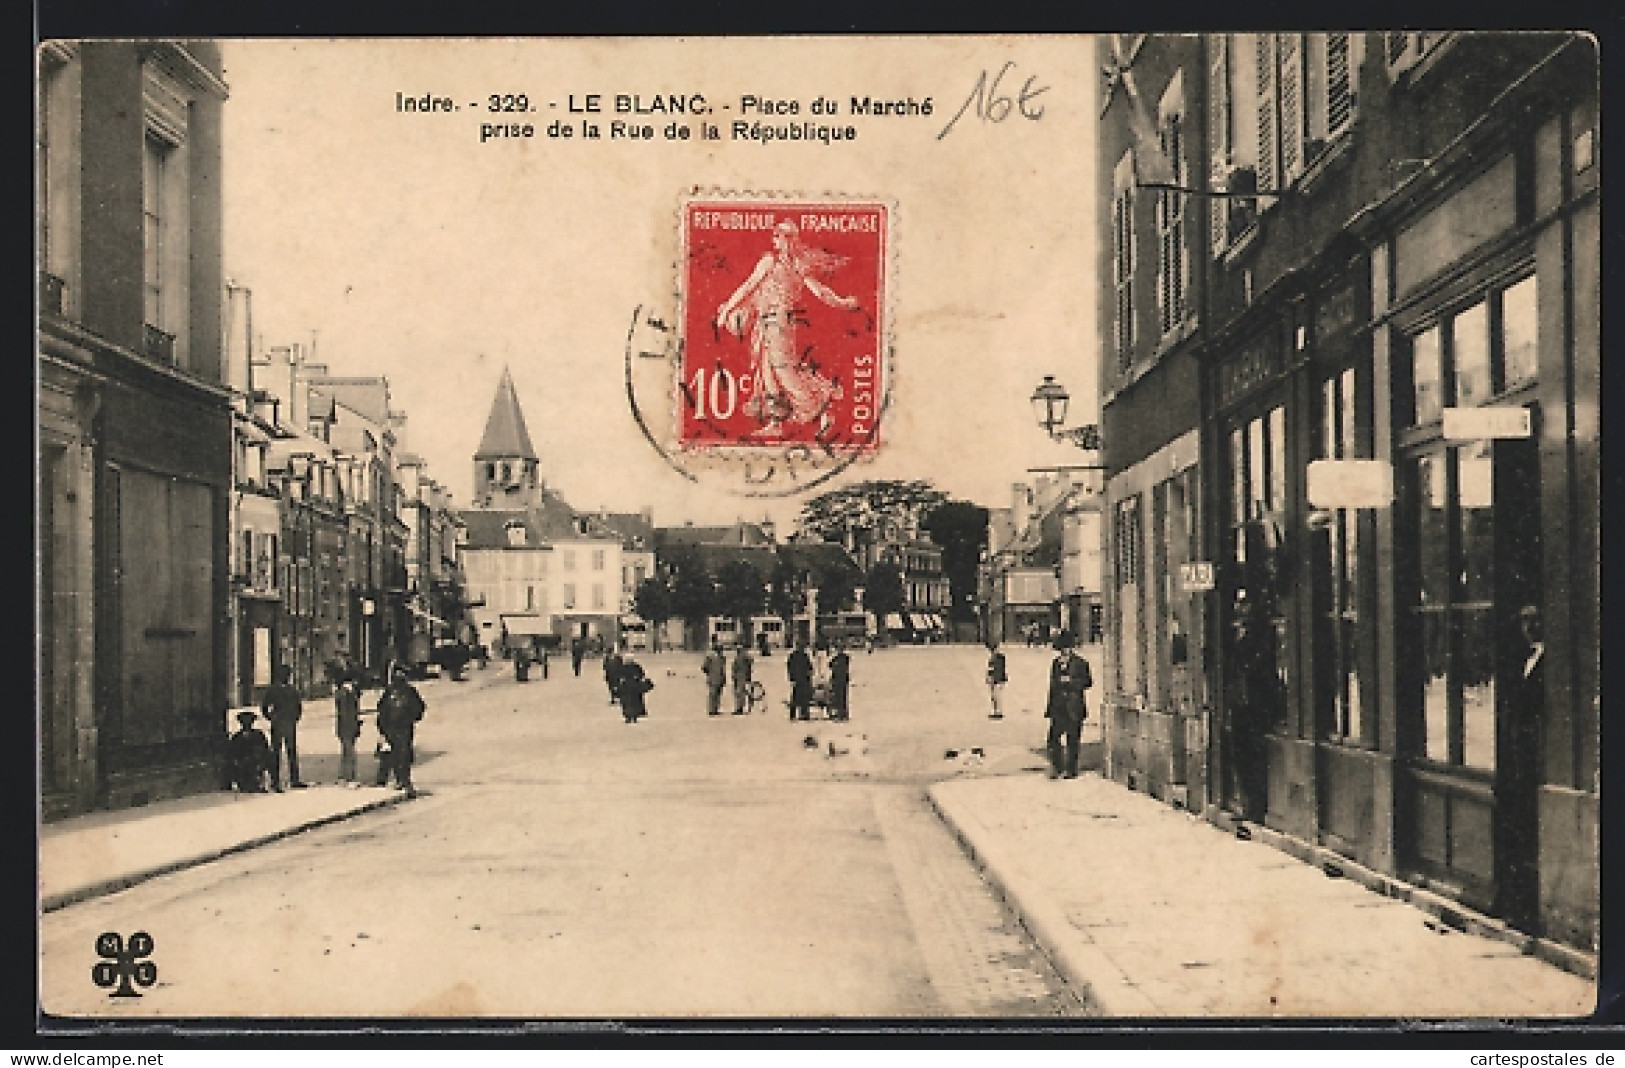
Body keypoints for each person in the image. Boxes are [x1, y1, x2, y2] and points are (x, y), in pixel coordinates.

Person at [715, 220, 862, 437]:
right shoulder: (793, 264)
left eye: (778, 236)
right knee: (768, 374)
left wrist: (727, 310)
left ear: (788, 240)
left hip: (777, 322)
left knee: (784, 373)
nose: (774, 240)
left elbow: (749, 285)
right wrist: (842, 302)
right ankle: (777, 423)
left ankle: (820, 409)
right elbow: (820, 291)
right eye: (775, 236)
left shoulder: (777, 262)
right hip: (770, 322)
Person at [1044, 632, 1093, 780]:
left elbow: (1088, 682)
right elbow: (1052, 686)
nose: (1064, 652)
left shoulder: (1081, 663)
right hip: (1058, 708)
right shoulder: (1055, 663)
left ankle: (1071, 770)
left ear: (1071, 648)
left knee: (1073, 740)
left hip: (1074, 707)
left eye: (1066, 648)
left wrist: (1070, 682)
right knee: (1053, 739)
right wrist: (1049, 708)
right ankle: (1057, 767)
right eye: (1061, 649)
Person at [374, 663, 425, 797]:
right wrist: (381, 728)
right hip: (390, 728)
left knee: (403, 755)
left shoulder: (410, 691)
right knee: (387, 756)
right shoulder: (389, 691)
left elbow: (419, 708)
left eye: (402, 674)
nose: (399, 676)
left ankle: (403, 781)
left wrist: (410, 718)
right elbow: (381, 709)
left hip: (404, 729)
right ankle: (382, 782)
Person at [260, 665, 307, 791]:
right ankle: (275, 781)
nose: (287, 677)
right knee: (276, 752)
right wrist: (271, 718)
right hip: (278, 724)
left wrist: (296, 718)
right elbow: (264, 706)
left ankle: (295, 780)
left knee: (292, 752)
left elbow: (298, 706)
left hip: (290, 724)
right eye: (285, 675)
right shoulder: (273, 690)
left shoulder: (292, 690)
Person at [226, 710, 273, 793]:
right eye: (244, 722)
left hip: (256, 761)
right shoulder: (237, 737)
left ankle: (257, 782)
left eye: (249, 722)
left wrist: (261, 759)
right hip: (243, 763)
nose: (247, 724)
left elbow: (265, 749)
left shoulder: (258, 735)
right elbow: (232, 752)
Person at [334, 676, 362, 784]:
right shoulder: (345, 694)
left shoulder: (346, 693)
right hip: (347, 726)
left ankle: (344, 776)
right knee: (349, 752)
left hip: (346, 726)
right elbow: (346, 713)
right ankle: (349, 777)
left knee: (346, 751)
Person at [616, 656, 654, 723]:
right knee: (635, 702)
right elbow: (642, 674)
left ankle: (629, 716)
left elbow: (619, 676)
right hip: (634, 686)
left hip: (627, 687)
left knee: (627, 702)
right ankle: (634, 716)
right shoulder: (636, 666)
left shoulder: (623, 667)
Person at [787, 640, 814, 722]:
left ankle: (802, 714)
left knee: (801, 698)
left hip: (802, 679)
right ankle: (798, 714)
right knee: (798, 698)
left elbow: (809, 667)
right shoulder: (797, 656)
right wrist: (792, 678)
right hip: (800, 679)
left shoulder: (798, 656)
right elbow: (790, 669)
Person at [702, 638, 728, 716]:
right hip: (713, 678)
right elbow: (704, 667)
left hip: (719, 678)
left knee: (718, 694)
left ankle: (715, 709)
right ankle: (711, 710)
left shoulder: (722, 657)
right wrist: (709, 674)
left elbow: (723, 668)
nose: (721, 651)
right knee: (713, 694)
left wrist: (724, 677)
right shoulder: (710, 656)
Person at [828, 646, 851, 721]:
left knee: (840, 697)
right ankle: (843, 713)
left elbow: (830, 665)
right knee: (842, 697)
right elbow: (830, 665)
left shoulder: (839, 658)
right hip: (841, 679)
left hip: (839, 679)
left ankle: (842, 713)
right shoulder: (843, 658)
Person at [986, 640, 1008, 720]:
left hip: (997, 679)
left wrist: (989, 678)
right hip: (997, 679)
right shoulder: (998, 657)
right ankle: (996, 711)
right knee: (994, 696)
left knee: (996, 696)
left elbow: (992, 670)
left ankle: (998, 711)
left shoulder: (996, 658)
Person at [731, 643, 755, 714]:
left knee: (740, 693)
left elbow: (751, 661)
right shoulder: (739, 656)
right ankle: (740, 707)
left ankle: (740, 708)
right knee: (739, 693)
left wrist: (748, 669)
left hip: (742, 676)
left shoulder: (744, 655)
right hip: (738, 676)